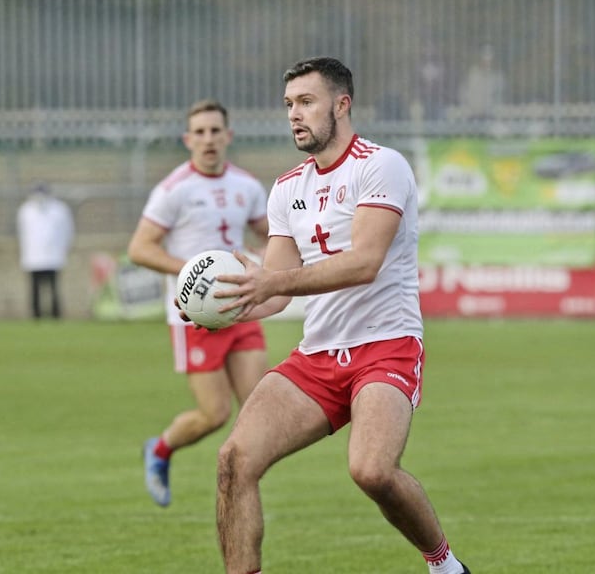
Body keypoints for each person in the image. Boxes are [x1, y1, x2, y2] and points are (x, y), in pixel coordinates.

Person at [210, 58, 470, 574]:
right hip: (318, 356)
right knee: (234, 461)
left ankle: (444, 566)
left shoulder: (381, 165)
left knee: (371, 470)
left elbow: (365, 263)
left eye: (306, 102)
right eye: (288, 105)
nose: (294, 116)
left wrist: (270, 279)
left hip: (386, 345)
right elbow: (277, 293)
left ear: (342, 104)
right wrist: (225, 306)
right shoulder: (287, 188)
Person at [127, 98, 270, 508]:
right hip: (196, 317)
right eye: (200, 132)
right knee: (214, 414)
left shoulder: (246, 186)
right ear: (188, 140)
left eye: (215, 131)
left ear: (228, 136)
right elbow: (140, 248)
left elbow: (270, 236)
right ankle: (161, 448)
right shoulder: (173, 190)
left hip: (241, 305)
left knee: (260, 404)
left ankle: (242, 483)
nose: (208, 139)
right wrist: (190, 272)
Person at [16, 181, 74, 319]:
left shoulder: (59, 209)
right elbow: (23, 234)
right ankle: (36, 315)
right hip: (33, 256)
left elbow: (68, 231)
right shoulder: (25, 210)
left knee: (53, 287)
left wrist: (63, 249)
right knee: (34, 288)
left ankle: (56, 314)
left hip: (54, 255)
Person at [458, 43, 505, 120]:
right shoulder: (472, 73)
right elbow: (463, 92)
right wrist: (467, 109)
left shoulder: (498, 76)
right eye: (485, 58)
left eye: (490, 59)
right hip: (471, 114)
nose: (487, 62)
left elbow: (500, 97)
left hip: (491, 115)